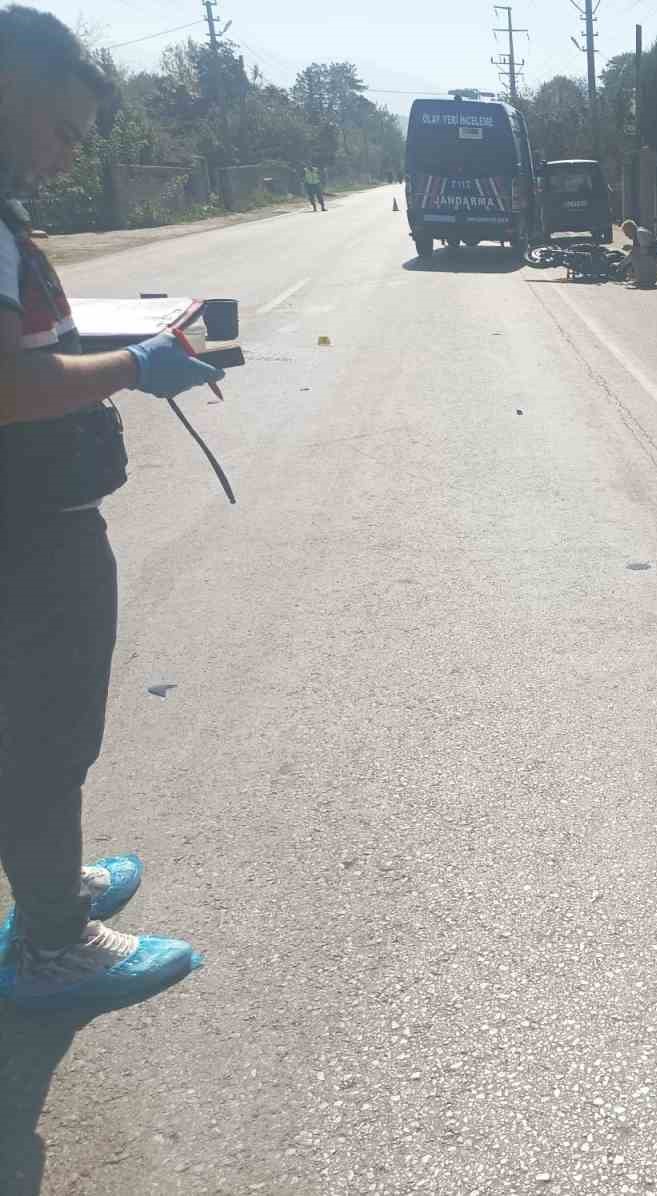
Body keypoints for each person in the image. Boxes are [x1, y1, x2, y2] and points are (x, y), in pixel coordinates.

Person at [0, 5, 220, 1012]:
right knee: (45, 732)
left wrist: (117, 338)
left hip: (29, 520)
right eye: (61, 128)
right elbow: (9, 385)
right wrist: (135, 363)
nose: (69, 153)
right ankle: (55, 940)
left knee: (34, 726)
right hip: (25, 531)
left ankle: (52, 882)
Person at [620, 218, 657, 289]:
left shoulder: (640, 233)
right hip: (653, 260)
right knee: (631, 260)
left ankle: (642, 280)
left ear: (630, 229)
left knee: (634, 257)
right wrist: (622, 264)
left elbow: (644, 251)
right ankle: (643, 279)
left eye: (626, 233)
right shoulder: (637, 234)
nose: (626, 235)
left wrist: (631, 248)